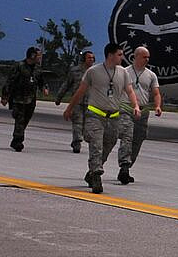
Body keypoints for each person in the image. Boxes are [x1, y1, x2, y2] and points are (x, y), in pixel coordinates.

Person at [63, 42, 139, 194]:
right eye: (119, 54)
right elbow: (80, 91)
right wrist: (69, 108)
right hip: (95, 115)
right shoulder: (93, 71)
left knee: (108, 144)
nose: (122, 57)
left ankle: (92, 172)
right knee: (96, 146)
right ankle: (97, 175)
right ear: (110, 55)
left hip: (114, 117)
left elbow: (130, 91)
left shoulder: (123, 72)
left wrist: (135, 105)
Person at [117, 45, 162, 184]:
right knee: (127, 136)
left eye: (148, 57)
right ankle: (124, 165)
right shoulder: (124, 72)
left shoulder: (151, 75)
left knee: (138, 139)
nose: (147, 59)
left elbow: (156, 93)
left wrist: (158, 106)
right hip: (126, 108)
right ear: (135, 57)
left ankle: (127, 167)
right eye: (144, 57)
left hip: (143, 111)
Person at [0, 46, 44, 152]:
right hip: (18, 98)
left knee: (26, 120)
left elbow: (41, 80)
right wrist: (5, 96)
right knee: (19, 119)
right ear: (32, 55)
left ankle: (16, 138)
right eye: (38, 55)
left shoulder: (38, 68)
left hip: (31, 99)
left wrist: (44, 88)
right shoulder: (19, 66)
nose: (40, 57)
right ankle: (18, 141)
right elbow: (10, 81)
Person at [57, 50, 94, 153]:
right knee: (77, 122)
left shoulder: (95, 72)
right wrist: (59, 97)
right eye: (89, 58)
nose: (91, 60)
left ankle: (84, 138)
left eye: (92, 58)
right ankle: (77, 142)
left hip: (91, 102)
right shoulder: (75, 71)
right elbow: (66, 84)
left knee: (88, 124)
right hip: (77, 101)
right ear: (83, 59)